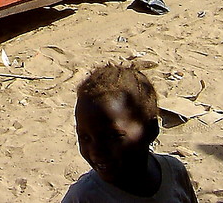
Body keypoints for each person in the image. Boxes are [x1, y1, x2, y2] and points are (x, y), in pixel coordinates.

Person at [63, 63, 197, 202]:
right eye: (85, 137)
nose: (96, 150)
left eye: (112, 136)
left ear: (150, 129)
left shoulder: (174, 172)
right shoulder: (83, 197)